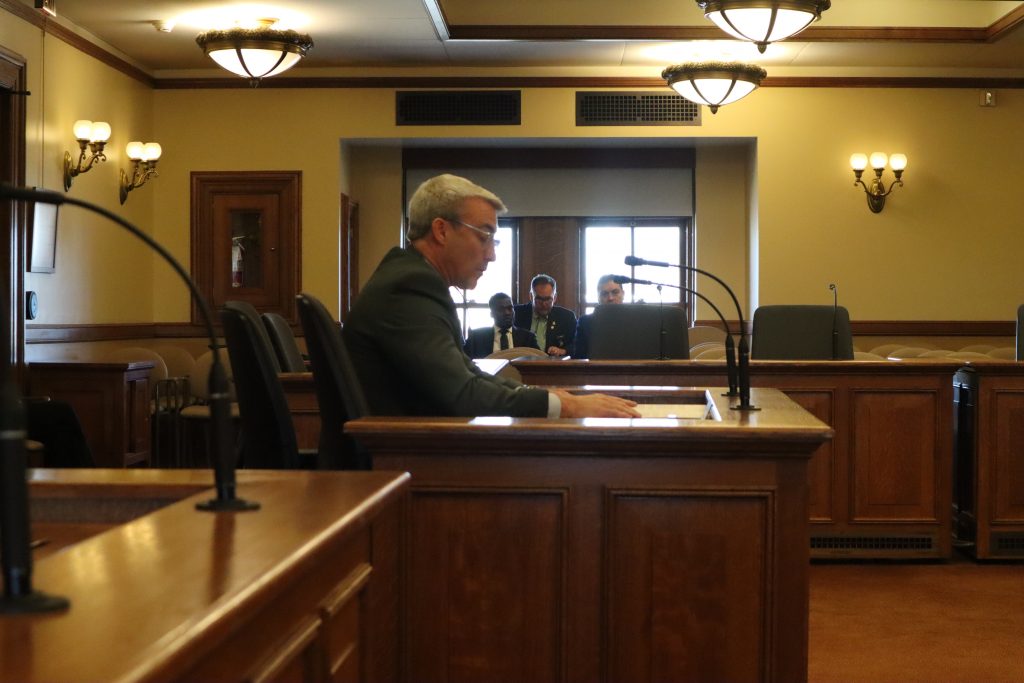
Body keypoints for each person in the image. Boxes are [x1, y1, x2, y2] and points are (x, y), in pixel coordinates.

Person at [343, 173, 638, 418]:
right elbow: (462, 394)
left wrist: (548, 397)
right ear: (441, 231)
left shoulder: (412, 278)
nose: (492, 255)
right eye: (484, 236)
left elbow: (468, 374)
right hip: (393, 464)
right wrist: (565, 406)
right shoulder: (409, 288)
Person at [513, 274, 577, 357]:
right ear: (531, 296)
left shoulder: (566, 317)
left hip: (553, 367)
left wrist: (563, 351)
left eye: (548, 299)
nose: (544, 304)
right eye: (539, 299)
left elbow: (576, 345)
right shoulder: (517, 314)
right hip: (521, 365)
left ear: (555, 298)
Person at [464, 292, 539, 359]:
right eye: (501, 309)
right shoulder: (476, 338)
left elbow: (540, 360)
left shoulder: (528, 338)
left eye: (510, 308)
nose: (507, 313)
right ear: (491, 314)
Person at [573, 274, 625, 359]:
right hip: (595, 370)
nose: (610, 298)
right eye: (604, 294)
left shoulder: (636, 321)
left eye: (615, 292)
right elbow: (579, 357)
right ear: (598, 298)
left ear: (623, 294)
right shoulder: (585, 322)